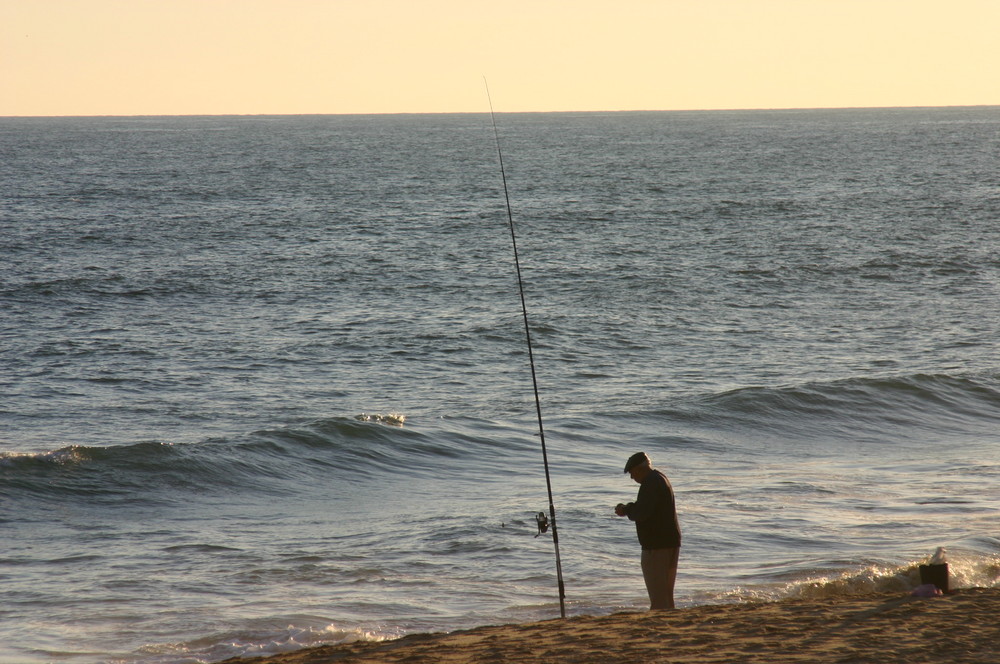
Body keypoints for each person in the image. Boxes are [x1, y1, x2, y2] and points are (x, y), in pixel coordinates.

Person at [614, 452, 681, 610]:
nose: (632, 478)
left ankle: (662, 631)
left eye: (631, 473)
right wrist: (630, 508)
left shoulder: (650, 483)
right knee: (666, 596)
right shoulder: (660, 478)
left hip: (656, 547)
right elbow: (648, 508)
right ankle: (672, 629)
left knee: (658, 599)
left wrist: (626, 510)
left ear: (639, 469)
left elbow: (642, 513)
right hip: (670, 542)